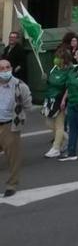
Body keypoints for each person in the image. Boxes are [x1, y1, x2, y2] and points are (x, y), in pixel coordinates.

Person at [0, 59, 33, 196]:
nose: (5, 70)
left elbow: (28, 105)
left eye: (7, 67)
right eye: (1, 68)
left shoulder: (20, 86)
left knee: (13, 157)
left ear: (12, 68)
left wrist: (19, 114)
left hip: (9, 125)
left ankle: (12, 185)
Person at [43, 49, 72, 158]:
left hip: (60, 100)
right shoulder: (55, 68)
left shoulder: (70, 70)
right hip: (50, 99)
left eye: (59, 57)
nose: (56, 59)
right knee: (49, 123)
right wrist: (46, 79)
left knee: (59, 124)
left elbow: (69, 87)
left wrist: (64, 100)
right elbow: (51, 82)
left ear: (64, 59)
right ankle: (66, 138)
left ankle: (56, 148)